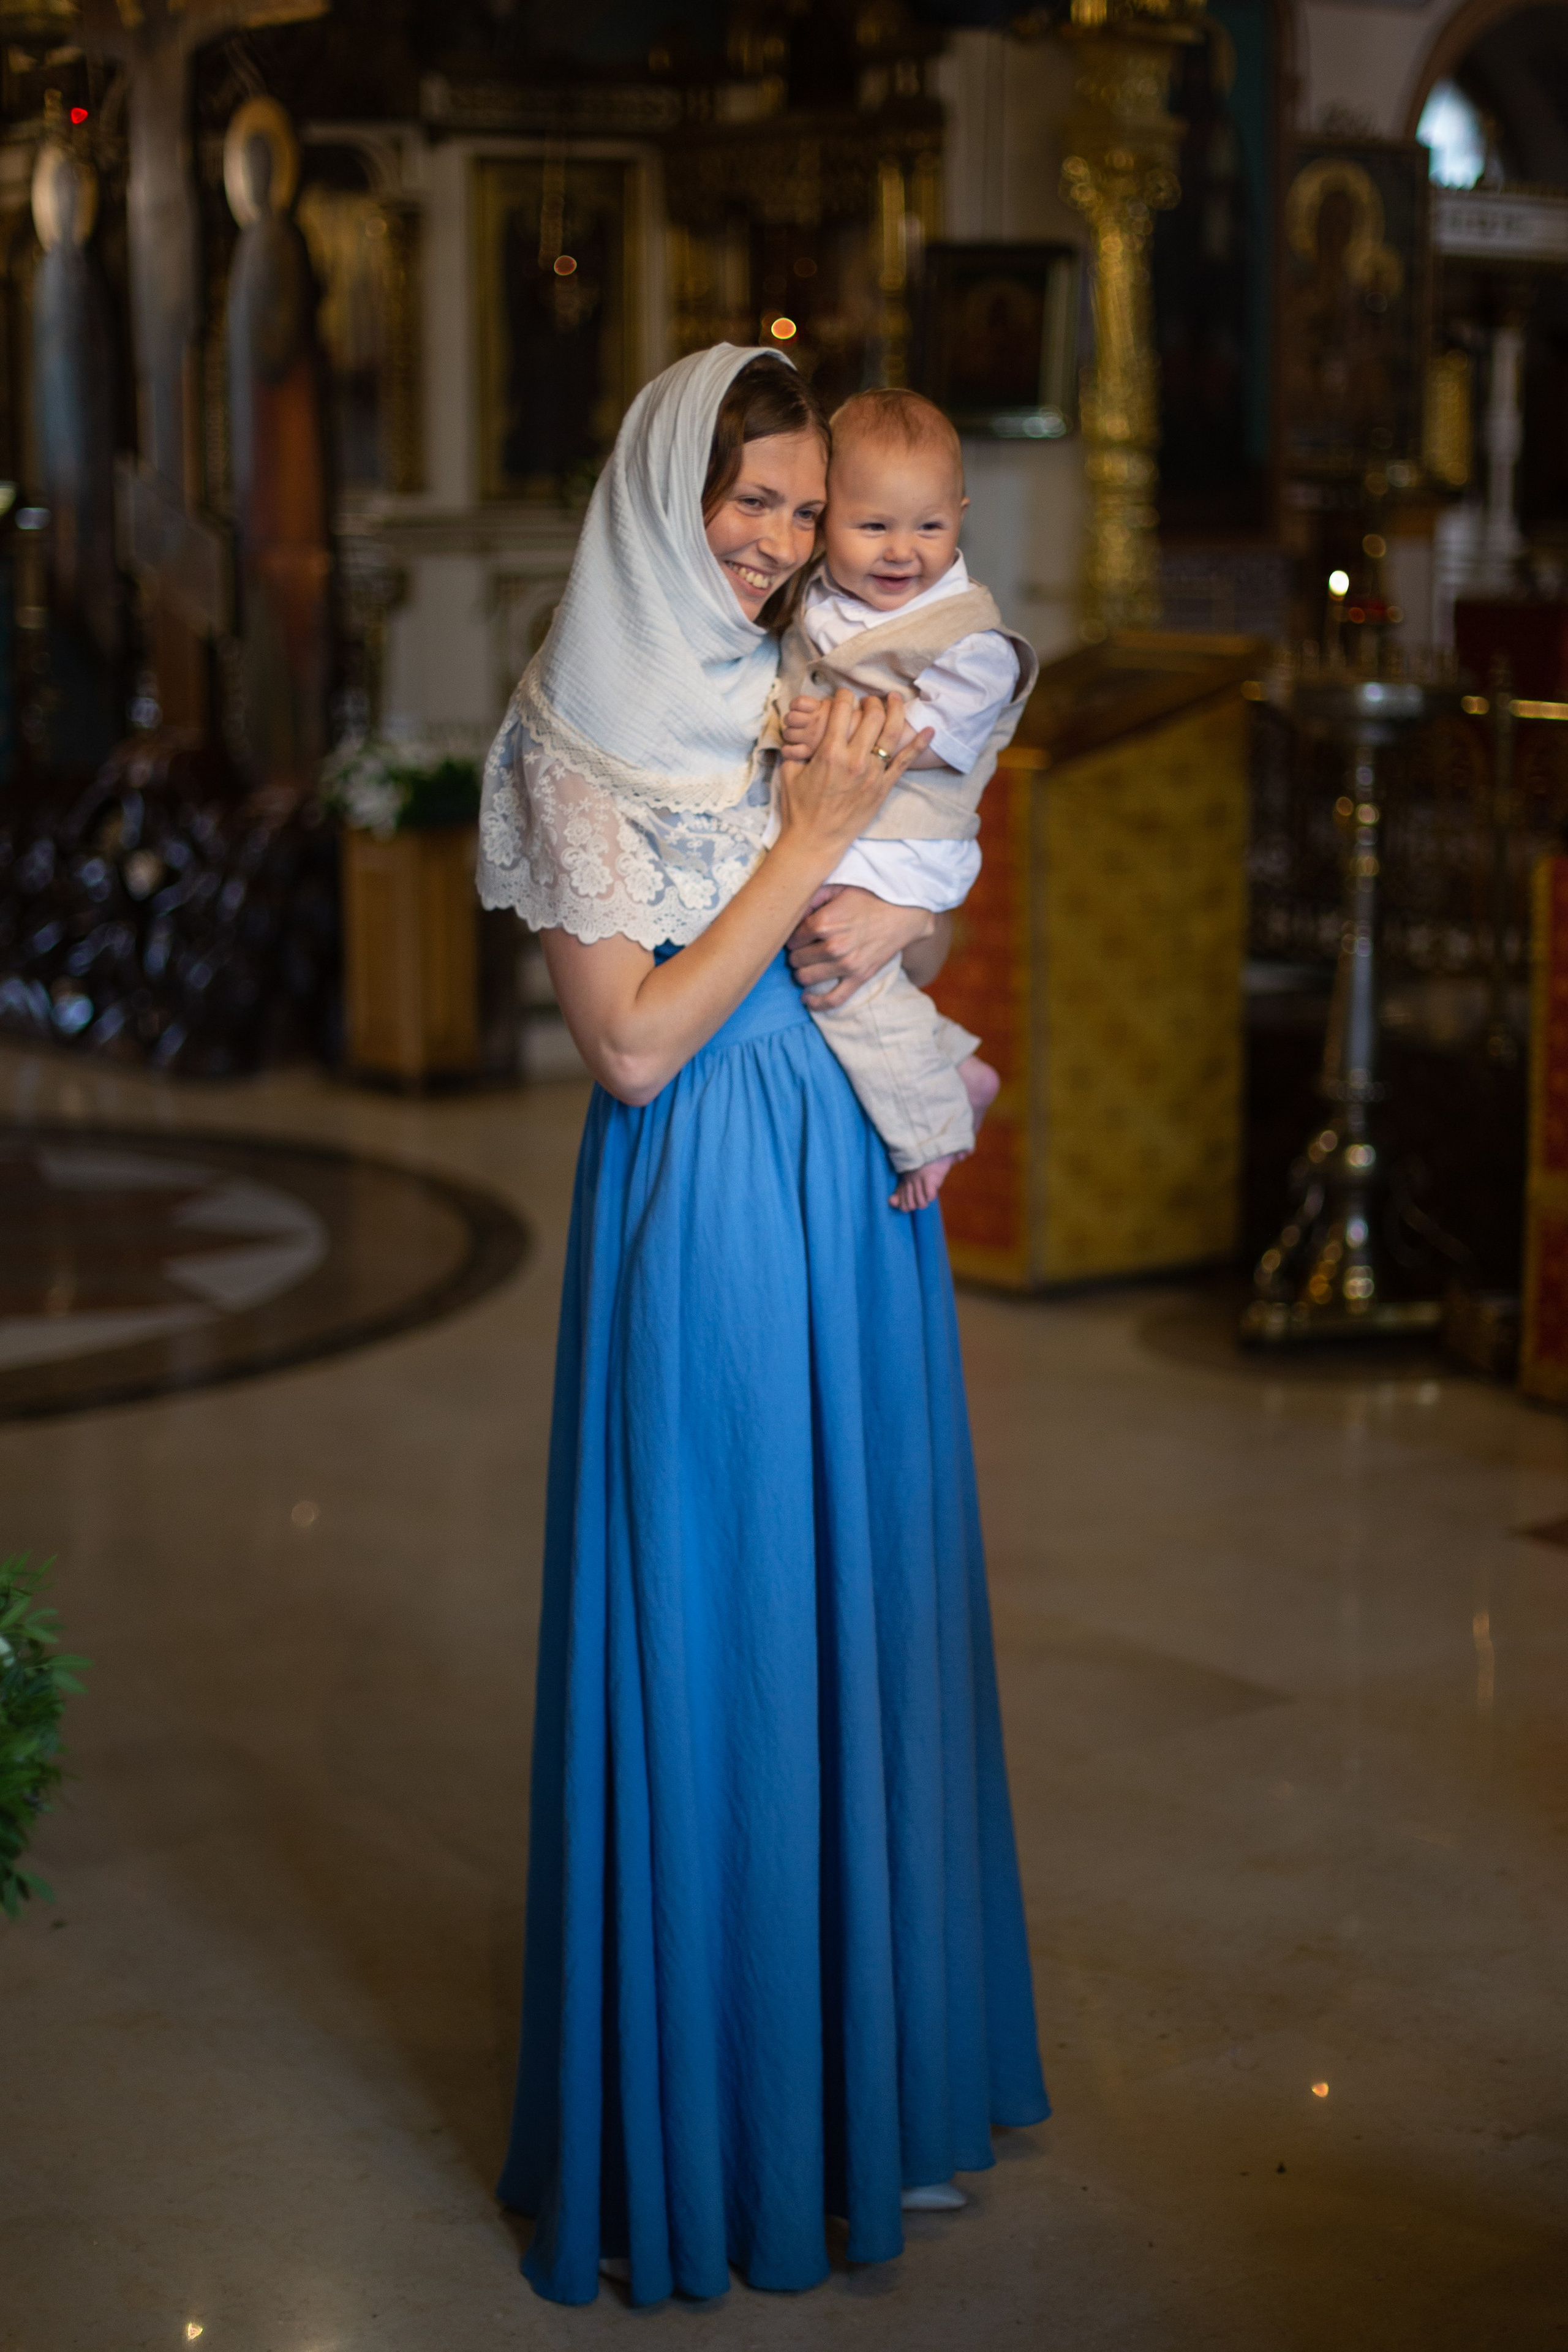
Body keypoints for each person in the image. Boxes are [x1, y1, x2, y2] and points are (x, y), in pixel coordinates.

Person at [478, 343, 1047, 2310]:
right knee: (725, 1624)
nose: (785, 543)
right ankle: (721, 2127)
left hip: (852, 1193)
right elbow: (634, 1042)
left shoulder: (808, 669)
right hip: (712, 1195)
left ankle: (867, 2092)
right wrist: (813, 845)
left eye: (810, 510)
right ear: (667, 488)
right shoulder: (581, 725)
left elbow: (900, 872)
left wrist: (906, 921)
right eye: (755, 502)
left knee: (865, 1607)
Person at [773, 387, 1038, 1212]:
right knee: (846, 970)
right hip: (857, 828)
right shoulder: (821, 597)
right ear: (826, 520)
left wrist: (832, 728)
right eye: (872, 526)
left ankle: (932, 1126)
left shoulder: (973, 642)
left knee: (833, 975)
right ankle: (955, 1063)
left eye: (929, 527)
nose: (901, 552)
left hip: (907, 840)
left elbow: (925, 738)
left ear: (961, 516)